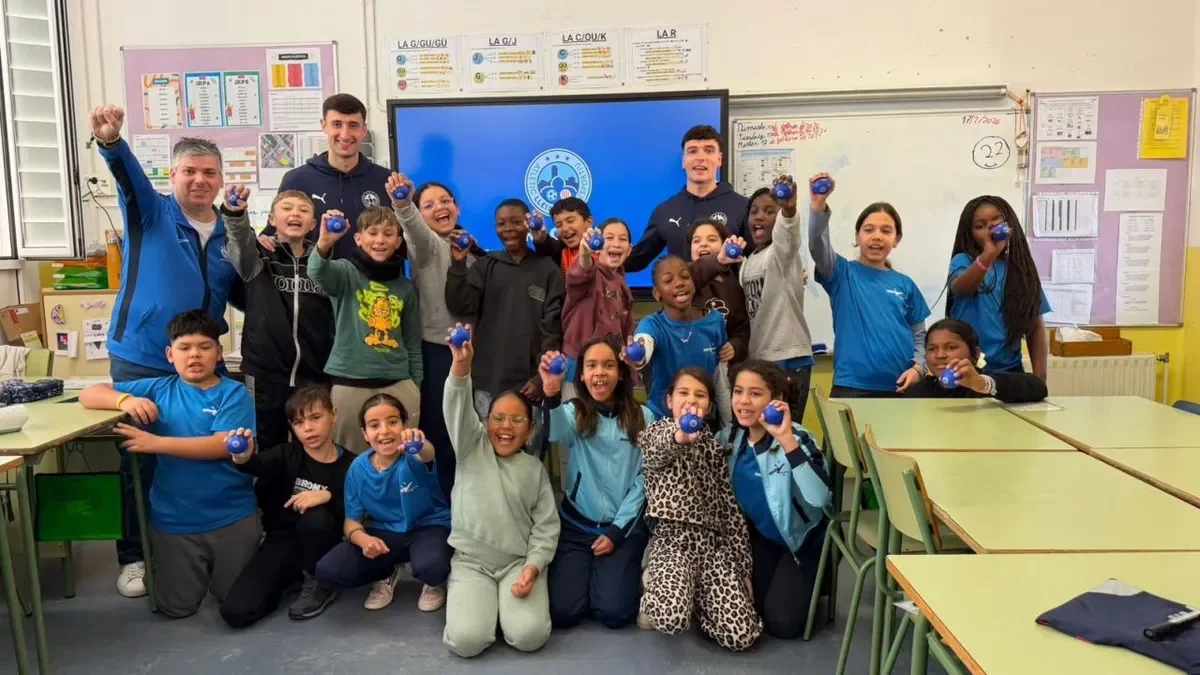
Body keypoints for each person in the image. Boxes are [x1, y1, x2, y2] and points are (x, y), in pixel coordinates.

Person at [89, 105, 242, 597]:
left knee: (206, 450)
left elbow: (249, 290)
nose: (200, 180)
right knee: (140, 456)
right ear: (172, 176)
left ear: (220, 180)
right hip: (142, 357)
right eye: (189, 171)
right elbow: (127, 178)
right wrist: (112, 144)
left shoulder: (230, 233)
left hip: (200, 361)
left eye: (209, 172)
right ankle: (134, 557)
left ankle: (199, 541)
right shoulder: (151, 214)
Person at [78, 311, 259, 618]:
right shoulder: (159, 388)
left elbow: (220, 445)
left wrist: (155, 443)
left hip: (231, 516)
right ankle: (171, 568)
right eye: (185, 347)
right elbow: (89, 393)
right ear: (170, 355)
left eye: (204, 347)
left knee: (236, 602)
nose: (194, 355)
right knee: (175, 608)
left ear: (218, 353)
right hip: (174, 521)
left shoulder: (233, 393)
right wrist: (126, 401)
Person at [441, 324, 560, 658]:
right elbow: (457, 407)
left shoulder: (534, 469)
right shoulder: (470, 448)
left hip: (516, 564)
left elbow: (546, 528)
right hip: (472, 563)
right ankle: (480, 609)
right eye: (498, 418)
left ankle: (500, 610)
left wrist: (532, 568)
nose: (506, 427)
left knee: (529, 636)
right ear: (485, 422)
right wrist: (461, 366)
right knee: (466, 642)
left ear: (530, 430)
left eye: (517, 421)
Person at [637, 367, 761, 652]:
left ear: (709, 406)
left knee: (741, 636)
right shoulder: (658, 431)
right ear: (669, 400)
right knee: (670, 619)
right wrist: (681, 435)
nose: (691, 400)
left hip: (713, 548)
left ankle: (698, 603)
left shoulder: (715, 448)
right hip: (672, 543)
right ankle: (654, 583)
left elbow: (729, 510)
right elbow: (659, 449)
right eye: (683, 392)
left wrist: (742, 567)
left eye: (700, 395)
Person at [537, 338, 652, 630]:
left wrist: (617, 532)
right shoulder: (573, 412)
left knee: (614, 614)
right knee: (563, 612)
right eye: (591, 366)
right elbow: (554, 433)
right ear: (582, 375)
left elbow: (644, 479)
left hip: (621, 529)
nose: (599, 372)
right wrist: (551, 393)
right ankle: (590, 576)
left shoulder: (643, 417)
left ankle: (626, 574)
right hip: (577, 526)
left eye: (608, 365)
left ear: (621, 373)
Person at [219, 386, 354, 627]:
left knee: (315, 517)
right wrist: (243, 457)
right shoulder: (286, 454)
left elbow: (361, 506)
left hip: (325, 546)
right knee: (236, 612)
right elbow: (256, 466)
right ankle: (290, 579)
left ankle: (320, 582)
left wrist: (327, 495)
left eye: (315, 417)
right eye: (299, 423)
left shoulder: (353, 464)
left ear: (333, 415)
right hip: (283, 541)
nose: (308, 428)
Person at [385, 176, 481, 501]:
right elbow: (412, 227)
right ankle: (444, 507)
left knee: (471, 433)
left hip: (474, 356)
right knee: (442, 435)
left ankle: (472, 504)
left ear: (457, 207)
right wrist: (403, 204)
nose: (440, 207)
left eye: (445, 201)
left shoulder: (471, 250)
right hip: (438, 355)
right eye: (428, 205)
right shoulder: (427, 248)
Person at [445, 198, 565, 455]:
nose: (508, 229)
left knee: (528, 457)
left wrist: (539, 378)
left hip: (529, 385)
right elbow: (460, 304)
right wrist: (458, 264)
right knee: (485, 455)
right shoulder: (485, 266)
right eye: (501, 224)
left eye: (515, 222)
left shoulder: (548, 270)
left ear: (528, 224)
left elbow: (552, 328)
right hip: (487, 381)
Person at [724, 360, 831, 639]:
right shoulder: (730, 439)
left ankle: (822, 578)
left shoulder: (797, 437)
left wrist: (786, 440)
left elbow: (820, 497)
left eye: (755, 393)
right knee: (748, 606)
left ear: (777, 399)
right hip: (765, 539)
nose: (743, 401)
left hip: (803, 542)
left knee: (783, 623)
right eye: (738, 391)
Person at [314, 394, 451, 612]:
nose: (385, 431)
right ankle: (388, 573)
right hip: (385, 533)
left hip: (427, 527)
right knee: (328, 571)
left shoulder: (413, 455)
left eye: (393, 422)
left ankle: (433, 583)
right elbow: (351, 522)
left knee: (432, 567)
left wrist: (419, 443)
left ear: (405, 425)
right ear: (365, 434)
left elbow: (427, 453)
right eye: (374, 425)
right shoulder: (358, 468)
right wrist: (364, 540)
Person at [224, 188, 334, 449]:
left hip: (314, 374)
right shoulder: (258, 259)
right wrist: (235, 214)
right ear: (272, 219)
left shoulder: (323, 265)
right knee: (266, 446)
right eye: (287, 208)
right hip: (266, 374)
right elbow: (239, 241)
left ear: (313, 224)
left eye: (303, 210)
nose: (295, 213)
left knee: (313, 445)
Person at [307, 207, 422, 453]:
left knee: (401, 455)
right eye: (373, 233)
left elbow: (412, 340)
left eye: (388, 234)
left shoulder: (405, 287)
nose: (380, 240)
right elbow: (316, 271)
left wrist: (415, 385)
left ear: (398, 242)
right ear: (359, 239)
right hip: (350, 382)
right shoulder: (344, 272)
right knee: (349, 456)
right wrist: (324, 243)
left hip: (398, 382)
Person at [807, 178, 931, 398]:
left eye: (886, 231)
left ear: (896, 239)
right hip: (851, 386)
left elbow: (919, 335)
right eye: (869, 230)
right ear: (857, 237)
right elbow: (817, 245)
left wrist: (918, 368)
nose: (877, 236)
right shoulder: (841, 273)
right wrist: (818, 206)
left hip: (901, 387)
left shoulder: (905, 284)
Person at [707, 177, 815, 422]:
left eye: (769, 211)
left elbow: (788, 233)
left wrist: (788, 209)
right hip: (761, 357)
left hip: (788, 355)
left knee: (785, 429)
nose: (759, 216)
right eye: (754, 211)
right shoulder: (750, 261)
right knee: (762, 430)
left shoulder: (781, 253)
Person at [258, 94, 395, 260]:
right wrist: (262, 240)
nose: (345, 135)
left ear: (364, 130)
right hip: (312, 276)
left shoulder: (386, 180)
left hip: (373, 277)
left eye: (353, 125)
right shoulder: (296, 180)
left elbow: (403, 241)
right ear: (323, 126)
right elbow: (274, 235)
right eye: (337, 124)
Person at [947, 195, 1051, 379]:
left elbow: (1035, 325)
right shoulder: (963, 261)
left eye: (997, 221)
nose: (990, 229)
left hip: (1009, 372)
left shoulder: (1020, 270)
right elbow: (960, 288)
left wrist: (1040, 378)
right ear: (970, 233)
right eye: (980, 226)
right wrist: (988, 255)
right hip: (966, 370)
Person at [625, 125, 751, 271]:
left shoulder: (743, 207)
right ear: (683, 161)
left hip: (729, 286)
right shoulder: (665, 211)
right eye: (692, 151)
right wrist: (604, 254)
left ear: (719, 159)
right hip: (679, 286)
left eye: (709, 151)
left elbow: (761, 259)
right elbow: (636, 260)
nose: (700, 158)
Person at [626, 256, 732, 420]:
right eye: (668, 281)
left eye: (685, 277)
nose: (679, 283)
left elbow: (720, 378)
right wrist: (638, 355)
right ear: (657, 294)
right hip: (664, 420)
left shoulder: (715, 321)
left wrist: (727, 423)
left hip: (705, 420)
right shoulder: (653, 324)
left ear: (693, 284)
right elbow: (644, 342)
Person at [559, 217, 634, 399]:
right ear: (597, 244)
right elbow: (580, 272)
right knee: (576, 415)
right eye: (609, 238)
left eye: (623, 239)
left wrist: (630, 370)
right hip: (577, 366)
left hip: (609, 367)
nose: (616, 244)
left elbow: (627, 331)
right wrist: (585, 254)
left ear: (629, 250)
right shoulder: (590, 273)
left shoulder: (622, 284)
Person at [905, 318, 1049, 402]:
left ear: (975, 354)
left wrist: (982, 384)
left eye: (951, 347)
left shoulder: (985, 384)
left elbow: (1039, 387)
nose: (940, 355)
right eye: (932, 349)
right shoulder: (918, 392)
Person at [686, 218, 750, 366]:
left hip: (722, 366)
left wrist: (734, 347)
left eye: (712, 239)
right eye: (696, 241)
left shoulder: (734, 282)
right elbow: (693, 275)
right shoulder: (685, 274)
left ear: (723, 245)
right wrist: (718, 260)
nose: (703, 244)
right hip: (688, 361)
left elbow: (742, 329)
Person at [531, 196, 590, 279]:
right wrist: (541, 239)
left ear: (589, 222)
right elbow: (547, 249)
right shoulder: (559, 252)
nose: (565, 229)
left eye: (570, 221)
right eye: (558, 225)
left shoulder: (603, 249)